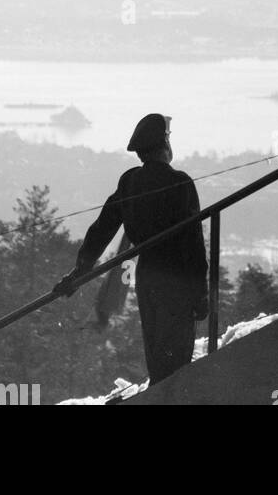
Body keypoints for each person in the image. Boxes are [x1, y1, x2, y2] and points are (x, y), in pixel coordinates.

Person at [53, 113, 208, 386]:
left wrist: (81, 269)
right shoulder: (180, 182)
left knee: (157, 354)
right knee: (178, 359)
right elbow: (193, 245)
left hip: (148, 279)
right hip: (178, 281)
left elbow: (103, 227)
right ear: (164, 145)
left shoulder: (130, 182)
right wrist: (200, 293)